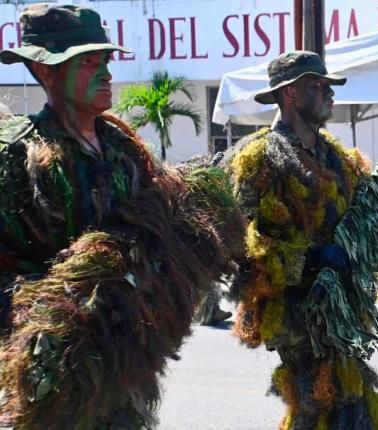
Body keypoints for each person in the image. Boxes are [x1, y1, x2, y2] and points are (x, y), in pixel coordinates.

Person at [0, 5, 244, 428]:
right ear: (45, 71)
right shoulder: (18, 160)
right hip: (58, 375)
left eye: (106, 60)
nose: (106, 73)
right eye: (89, 62)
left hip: (128, 361)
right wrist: (53, 318)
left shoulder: (124, 149)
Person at [223, 51, 378, 429]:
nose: (329, 93)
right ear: (291, 94)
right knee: (321, 403)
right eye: (318, 85)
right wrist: (314, 260)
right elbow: (244, 246)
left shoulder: (337, 158)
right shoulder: (262, 158)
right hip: (295, 311)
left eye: (328, 85)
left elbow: (364, 219)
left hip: (341, 311)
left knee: (346, 405)